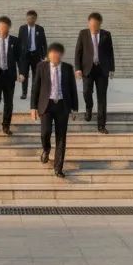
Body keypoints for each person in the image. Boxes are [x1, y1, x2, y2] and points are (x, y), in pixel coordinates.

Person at [30, 42, 79, 177]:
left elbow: (72, 89)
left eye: (57, 54)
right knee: (45, 132)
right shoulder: (41, 67)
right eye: (52, 54)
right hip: (46, 105)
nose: (55, 56)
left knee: (61, 137)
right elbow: (35, 88)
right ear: (49, 55)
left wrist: (75, 108)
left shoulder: (68, 68)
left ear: (61, 55)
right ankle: (46, 149)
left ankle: (58, 168)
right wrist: (33, 107)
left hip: (63, 106)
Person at [74, 11, 115, 134]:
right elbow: (78, 52)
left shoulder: (106, 35)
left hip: (102, 70)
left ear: (100, 24)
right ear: (88, 23)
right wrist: (77, 68)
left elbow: (110, 52)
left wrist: (112, 68)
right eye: (91, 25)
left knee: (102, 98)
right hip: (87, 69)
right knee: (87, 92)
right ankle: (89, 107)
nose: (94, 28)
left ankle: (101, 125)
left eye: (96, 26)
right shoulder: (83, 34)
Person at [17, 8, 47, 100]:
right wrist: (19, 55)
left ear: (35, 18)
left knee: (36, 75)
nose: (30, 20)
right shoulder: (22, 29)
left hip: (36, 55)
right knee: (24, 74)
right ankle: (24, 93)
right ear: (26, 18)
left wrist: (45, 56)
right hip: (25, 56)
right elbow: (19, 42)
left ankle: (35, 93)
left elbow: (44, 43)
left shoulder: (40, 29)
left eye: (32, 18)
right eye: (29, 18)